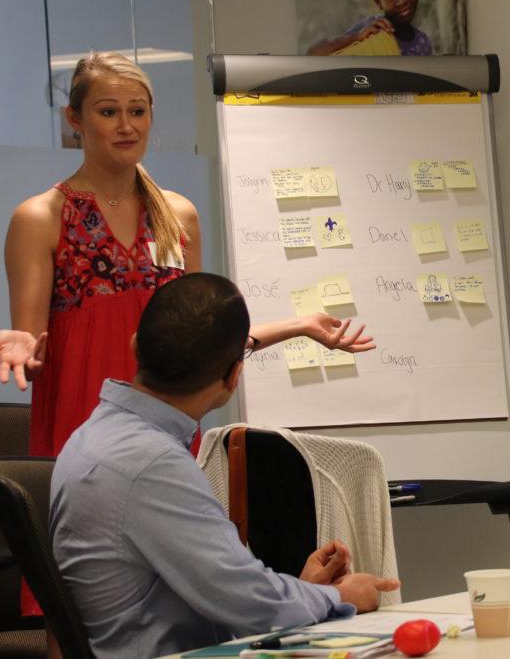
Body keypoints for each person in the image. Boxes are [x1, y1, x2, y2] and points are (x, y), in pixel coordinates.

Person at [0, 51, 373, 458]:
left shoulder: (177, 215)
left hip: (167, 433)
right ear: (75, 119)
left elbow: (200, 340)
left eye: (138, 111)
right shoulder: (41, 217)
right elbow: (31, 352)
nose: (126, 126)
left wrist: (300, 324)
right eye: (108, 112)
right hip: (84, 434)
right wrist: (22, 349)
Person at [49, 273, 400, 659]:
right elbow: (252, 606)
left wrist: (303, 590)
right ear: (234, 377)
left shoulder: (93, 435)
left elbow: (226, 590)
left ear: (136, 346)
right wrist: (336, 595)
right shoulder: (152, 464)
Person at [307, 0, 432, 56]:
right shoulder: (370, 29)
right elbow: (313, 54)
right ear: (378, 2)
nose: (402, 0)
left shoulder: (423, 42)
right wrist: (356, 37)